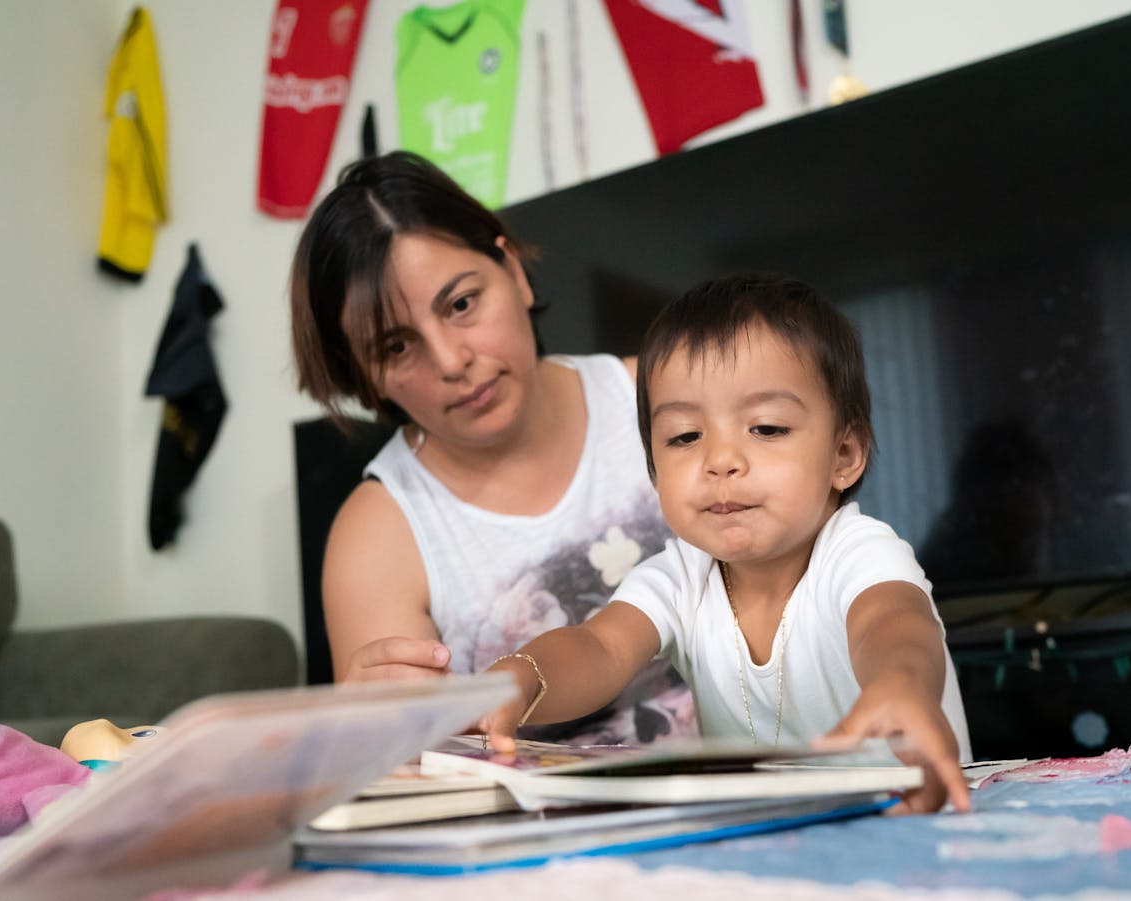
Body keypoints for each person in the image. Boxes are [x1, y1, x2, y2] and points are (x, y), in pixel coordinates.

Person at [479, 273, 973, 813]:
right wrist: (523, 676)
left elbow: (893, 624)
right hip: (787, 843)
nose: (720, 460)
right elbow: (598, 648)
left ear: (845, 454)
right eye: (685, 436)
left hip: (920, 824)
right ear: (653, 469)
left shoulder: (858, 550)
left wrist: (902, 684)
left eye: (765, 427)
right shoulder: (680, 575)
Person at [290, 151, 693, 745]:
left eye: (461, 304)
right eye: (397, 347)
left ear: (515, 272)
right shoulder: (376, 537)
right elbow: (418, 778)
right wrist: (374, 738)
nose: (452, 361)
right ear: (367, 377)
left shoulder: (665, 401)